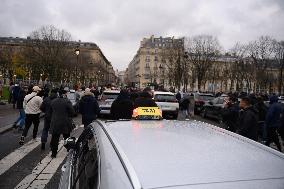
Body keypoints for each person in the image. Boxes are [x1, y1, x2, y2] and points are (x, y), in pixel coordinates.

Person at [50, 89, 75, 158]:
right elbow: (72, 112)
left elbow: (50, 111)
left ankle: (53, 153)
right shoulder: (67, 101)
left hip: (55, 122)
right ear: (65, 94)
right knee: (67, 137)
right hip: (65, 122)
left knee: (55, 138)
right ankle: (68, 150)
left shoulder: (53, 101)